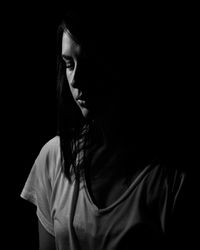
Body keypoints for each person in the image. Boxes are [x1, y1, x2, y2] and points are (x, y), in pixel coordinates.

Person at [20, 7, 191, 250]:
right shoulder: (54, 159)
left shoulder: (168, 183)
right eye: (69, 64)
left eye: (88, 63)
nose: (76, 80)